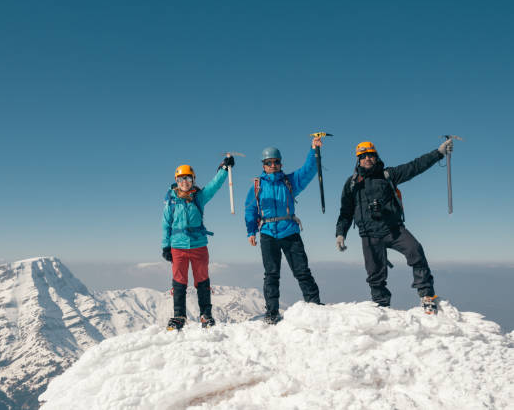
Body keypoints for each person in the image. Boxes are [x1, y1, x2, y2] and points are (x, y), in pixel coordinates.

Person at [335, 139, 454, 314]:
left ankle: (427, 296)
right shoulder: (352, 184)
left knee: (416, 251)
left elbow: (415, 166)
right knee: (375, 275)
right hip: (369, 234)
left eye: (371, 155)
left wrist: (438, 153)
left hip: (393, 229)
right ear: (358, 160)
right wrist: (340, 234)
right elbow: (345, 212)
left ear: (376, 157)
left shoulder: (388, 175)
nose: (367, 158)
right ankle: (381, 307)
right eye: (363, 156)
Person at [244, 136, 324, 325]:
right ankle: (272, 312)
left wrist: (314, 150)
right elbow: (250, 209)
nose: (273, 165)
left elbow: (308, 170)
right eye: (269, 162)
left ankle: (314, 305)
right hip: (268, 233)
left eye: (276, 162)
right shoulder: (257, 186)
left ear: (280, 163)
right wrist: (251, 231)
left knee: (302, 271)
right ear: (263, 165)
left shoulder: (289, 182)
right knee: (271, 274)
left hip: (289, 231)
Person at [162, 156, 234, 330]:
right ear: (176, 181)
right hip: (177, 247)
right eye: (181, 179)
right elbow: (166, 224)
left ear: (193, 180)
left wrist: (224, 169)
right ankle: (179, 316)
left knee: (202, 280)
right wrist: (166, 245)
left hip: (199, 246)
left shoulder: (198, 198)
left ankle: (206, 315)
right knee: (179, 282)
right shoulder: (171, 202)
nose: (184, 182)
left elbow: (214, 185)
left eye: (187, 178)